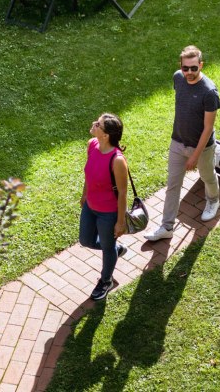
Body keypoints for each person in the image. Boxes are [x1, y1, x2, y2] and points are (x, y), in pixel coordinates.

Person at [145, 45, 220, 241]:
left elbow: (208, 128)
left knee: (207, 176)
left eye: (193, 68)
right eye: (185, 68)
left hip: (202, 148)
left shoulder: (209, 92)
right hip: (177, 142)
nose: (189, 72)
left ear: (201, 66)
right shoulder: (178, 78)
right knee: (173, 185)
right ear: (181, 66)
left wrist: (195, 156)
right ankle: (167, 227)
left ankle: (213, 200)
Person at [80, 113, 129, 300]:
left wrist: (120, 221)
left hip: (108, 213)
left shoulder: (117, 161)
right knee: (85, 240)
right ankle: (115, 249)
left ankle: (106, 280)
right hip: (90, 206)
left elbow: (123, 193)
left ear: (106, 135)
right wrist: (84, 195)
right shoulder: (92, 144)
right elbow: (89, 174)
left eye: (98, 124)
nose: (94, 124)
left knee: (107, 249)